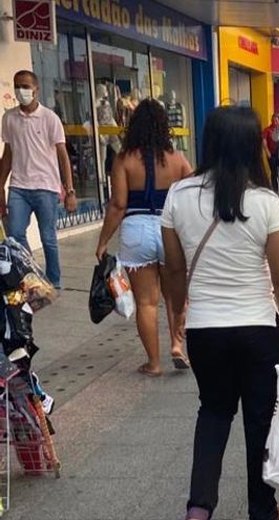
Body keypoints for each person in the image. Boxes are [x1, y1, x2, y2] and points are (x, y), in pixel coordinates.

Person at [161, 106, 279, 520]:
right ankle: (263, 509)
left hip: (205, 330)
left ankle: (198, 508)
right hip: (258, 330)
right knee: (258, 423)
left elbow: (173, 271)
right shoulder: (266, 202)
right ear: (253, 146)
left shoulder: (178, 196)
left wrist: (178, 320)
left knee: (213, 412)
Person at [94, 99, 193, 376]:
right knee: (176, 297)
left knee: (147, 303)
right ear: (165, 126)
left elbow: (118, 205)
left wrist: (102, 241)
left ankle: (154, 363)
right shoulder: (177, 159)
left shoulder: (124, 160)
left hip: (136, 229)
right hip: (169, 228)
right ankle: (177, 345)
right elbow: (192, 195)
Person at [0, 70, 76, 288]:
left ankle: (53, 281)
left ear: (36, 89)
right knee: (15, 235)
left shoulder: (50, 118)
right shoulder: (9, 118)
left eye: (25, 86)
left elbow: (63, 156)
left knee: (48, 239)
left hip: (46, 188)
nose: (20, 91)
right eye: (17, 86)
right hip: (19, 187)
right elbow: (7, 155)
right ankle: (31, 275)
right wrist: (0, 187)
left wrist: (69, 190)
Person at [262, 112, 279, 192]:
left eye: (277, 121)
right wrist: (268, 153)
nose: (275, 122)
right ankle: (275, 189)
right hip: (271, 154)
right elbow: (264, 141)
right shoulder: (267, 130)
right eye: (274, 120)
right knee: (274, 172)